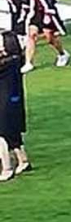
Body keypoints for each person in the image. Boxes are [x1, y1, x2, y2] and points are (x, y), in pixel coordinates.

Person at [23, 0, 69, 72]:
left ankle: (62, 53)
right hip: (35, 12)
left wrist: (48, 14)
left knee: (49, 37)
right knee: (31, 34)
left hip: (47, 12)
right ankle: (28, 62)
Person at [0, 32, 31, 182]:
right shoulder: (17, 60)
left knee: (1, 135)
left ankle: (6, 168)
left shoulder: (4, 64)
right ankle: (23, 161)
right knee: (13, 132)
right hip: (15, 100)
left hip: (4, 102)